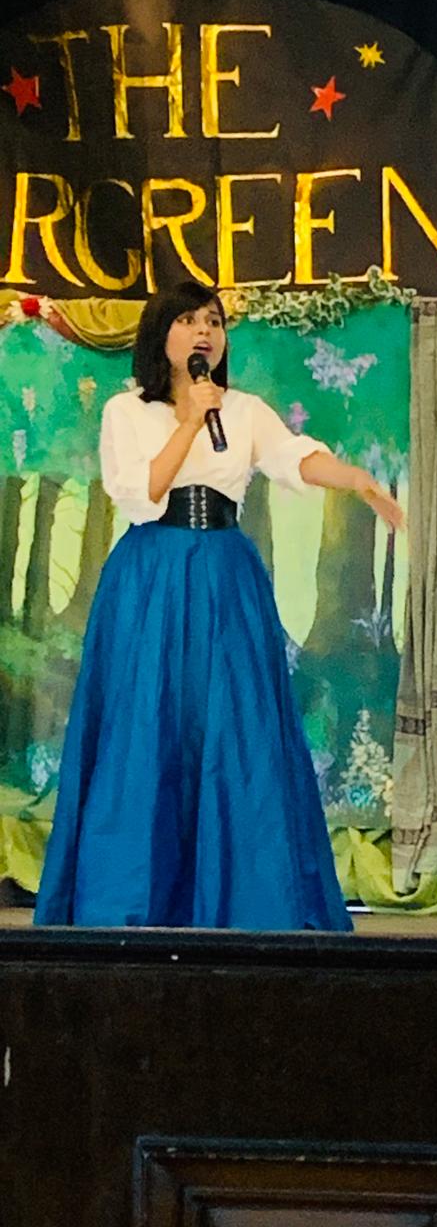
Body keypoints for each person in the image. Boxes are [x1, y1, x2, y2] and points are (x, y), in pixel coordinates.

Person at [34, 281, 404, 931]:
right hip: (151, 576)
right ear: (161, 336)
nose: (204, 332)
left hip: (225, 576)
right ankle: (135, 898)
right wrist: (187, 421)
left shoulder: (244, 409)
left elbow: (293, 457)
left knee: (234, 724)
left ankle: (243, 898)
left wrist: (357, 480)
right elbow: (141, 495)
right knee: (147, 723)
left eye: (213, 321)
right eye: (188, 320)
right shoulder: (127, 411)